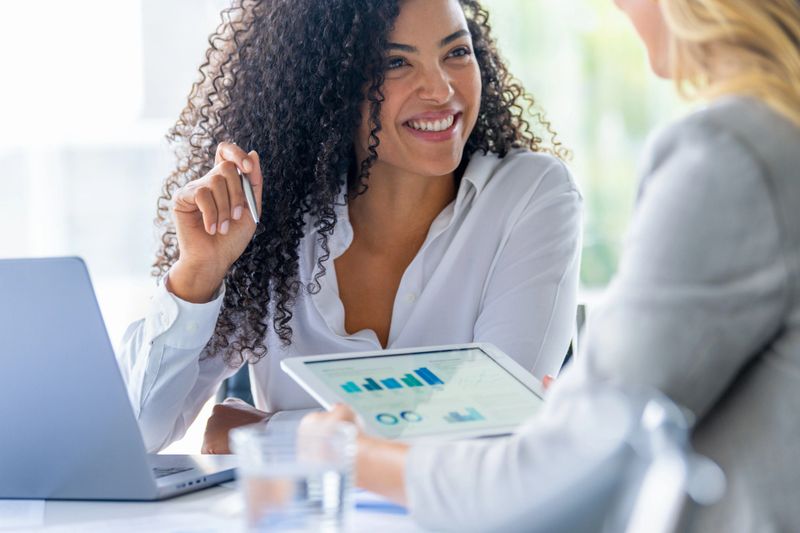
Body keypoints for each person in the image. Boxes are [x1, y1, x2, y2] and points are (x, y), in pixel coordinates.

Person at [302, 0, 800, 530]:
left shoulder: (733, 156)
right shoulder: (775, 136)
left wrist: (349, 450)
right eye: (395, 62)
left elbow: (566, 464)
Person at [117, 0, 582, 454]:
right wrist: (199, 272)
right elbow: (133, 432)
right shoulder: (270, 219)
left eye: (456, 52)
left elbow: (498, 429)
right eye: (396, 62)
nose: (441, 90)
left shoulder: (531, 194)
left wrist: (266, 436)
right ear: (330, 84)